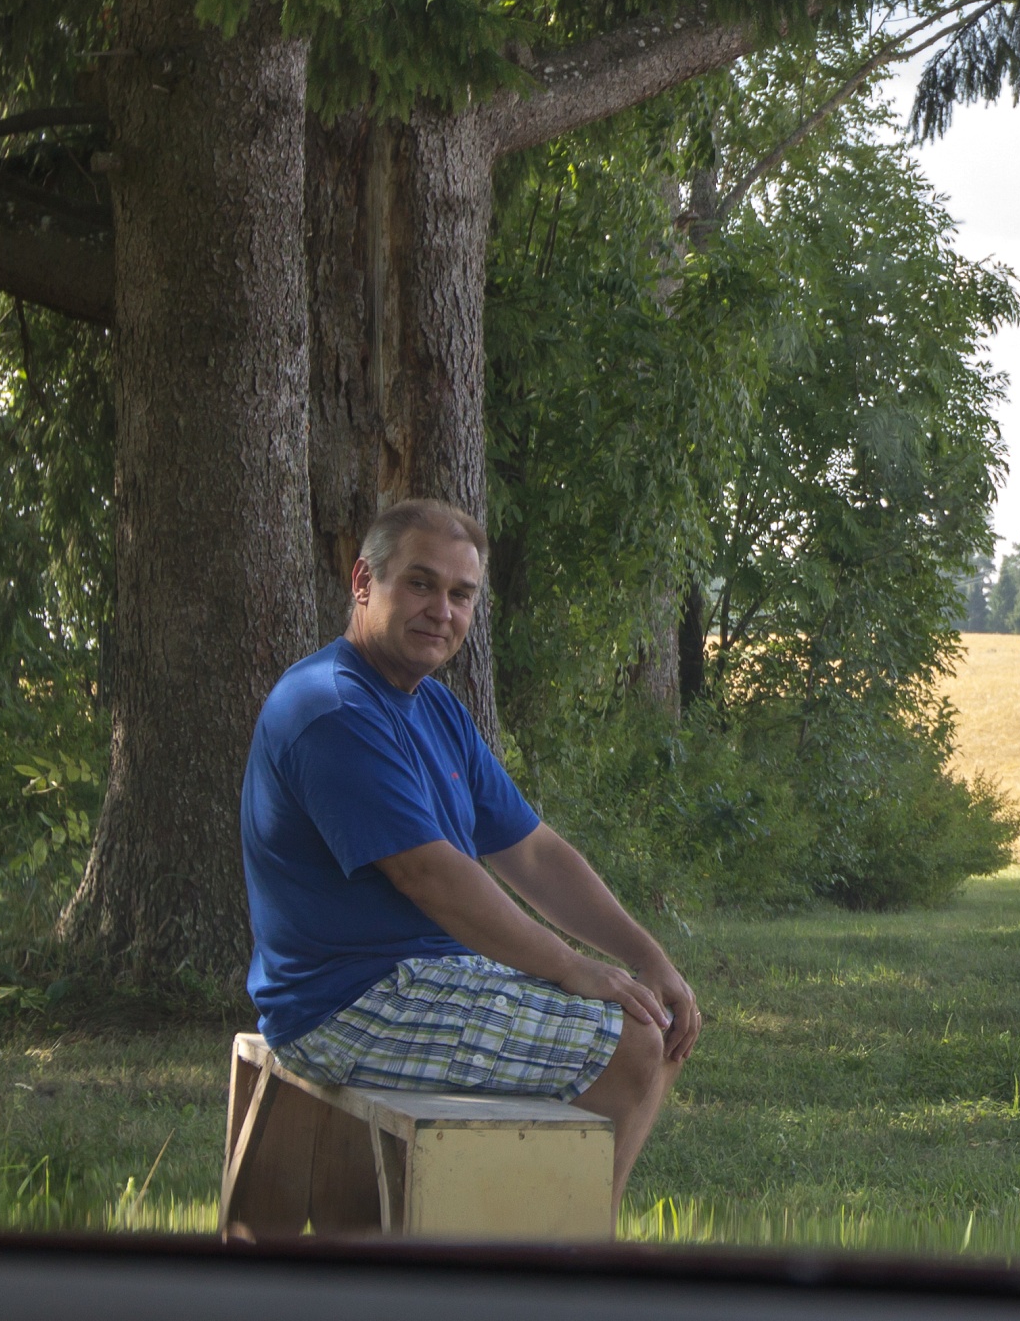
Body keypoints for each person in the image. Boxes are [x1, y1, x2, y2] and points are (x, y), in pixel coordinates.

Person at [241, 498, 700, 1201]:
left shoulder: (433, 707)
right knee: (631, 1042)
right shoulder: (331, 706)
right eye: (420, 584)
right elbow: (431, 876)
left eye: (461, 594)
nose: (442, 611)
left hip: (430, 978)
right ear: (364, 581)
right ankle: (556, 1251)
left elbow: (533, 853)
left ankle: (558, 1238)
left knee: (653, 1022)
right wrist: (573, 967)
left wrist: (647, 956)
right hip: (345, 1003)